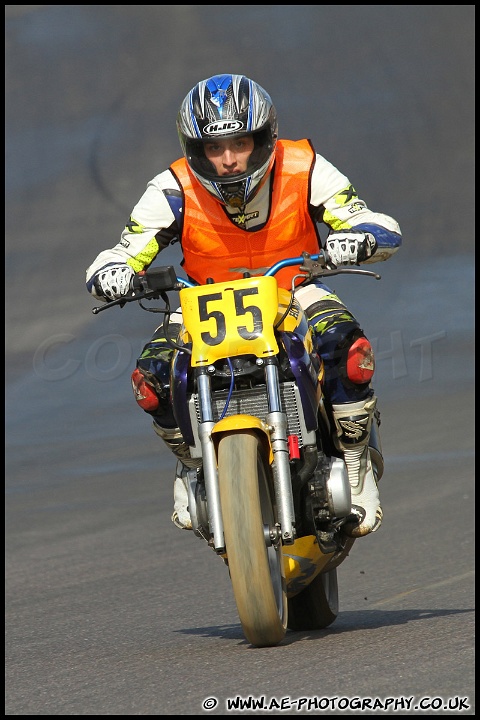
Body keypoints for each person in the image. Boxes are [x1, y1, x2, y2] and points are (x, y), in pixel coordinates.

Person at [86, 73, 402, 538]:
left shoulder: (305, 166)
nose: (230, 160)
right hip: (202, 299)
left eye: (241, 143)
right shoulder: (171, 187)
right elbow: (122, 251)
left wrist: (358, 239)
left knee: (345, 346)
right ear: (195, 149)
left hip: (294, 288)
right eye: (215, 148)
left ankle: (354, 464)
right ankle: (192, 465)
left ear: (265, 138)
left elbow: (372, 220)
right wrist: (112, 273)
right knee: (152, 375)